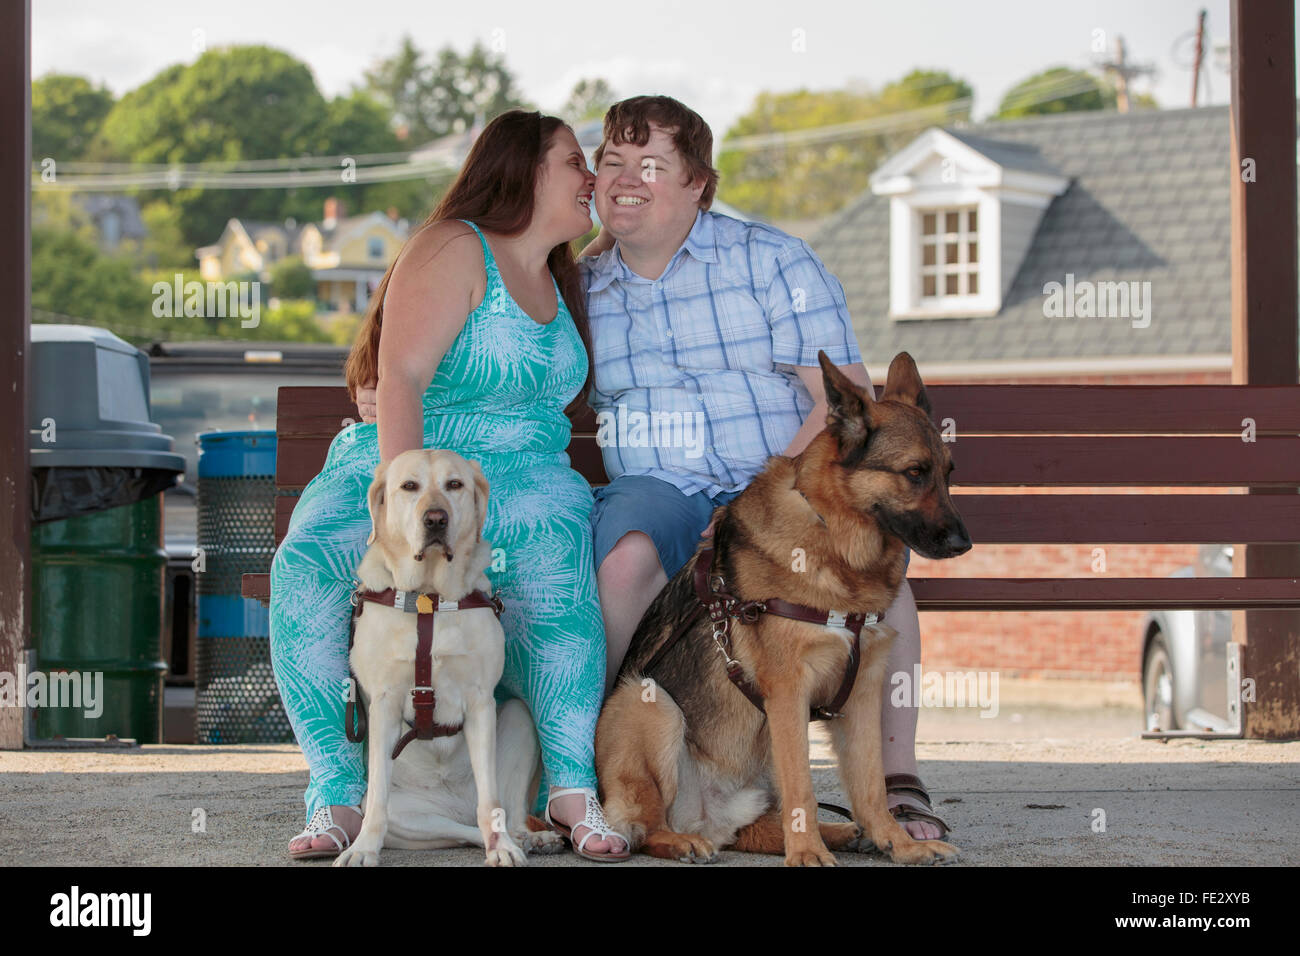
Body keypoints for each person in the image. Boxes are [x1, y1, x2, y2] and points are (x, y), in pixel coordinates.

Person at [579, 95, 949, 841]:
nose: (624, 177)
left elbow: (842, 403)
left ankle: (900, 780)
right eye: (610, 161)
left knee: (882, 580)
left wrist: (759, 496)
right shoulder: (582, 287)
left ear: (699, 184)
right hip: (662, 491)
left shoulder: (774, 261)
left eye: (650, 163)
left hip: (780, 488)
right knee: (621, 562)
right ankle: (598, 777)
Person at [272, 110, 629, 862]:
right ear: (525, 170)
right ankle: (337, 790)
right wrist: (405, 509)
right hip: (415, 463)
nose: (589, 177)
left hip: (524, 482)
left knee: (552, 566)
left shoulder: (562, 268)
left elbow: (639, 230)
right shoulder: (455, 248)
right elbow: (398, 376)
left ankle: (568, 787)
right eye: (574, 162)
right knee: (305, 564)